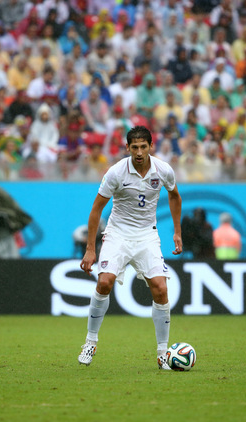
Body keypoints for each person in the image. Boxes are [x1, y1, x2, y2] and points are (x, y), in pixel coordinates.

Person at [78, 126, 183, 370]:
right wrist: (90, 249)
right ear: (127, 148)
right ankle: (90, 342)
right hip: (118, 234)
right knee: (104, 282)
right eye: (134, 147)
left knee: (160, 288)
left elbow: (175, 196)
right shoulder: (116, 172)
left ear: (150, 146)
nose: (138, 152)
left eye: (143, 147)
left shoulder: (163, 170)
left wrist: (177, 232)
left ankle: (162, 353)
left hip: (147, 236)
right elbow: (96, 209)